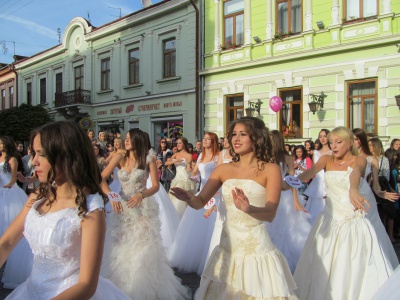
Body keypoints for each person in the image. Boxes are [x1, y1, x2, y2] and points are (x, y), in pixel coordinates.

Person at [170, 117, 296, 299]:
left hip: (256, 250)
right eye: (233, 134)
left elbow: (270, 214)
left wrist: (249, 209)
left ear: (257, 138)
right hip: (227, 248)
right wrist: (190, 198)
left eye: (242, 134)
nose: (235, 139)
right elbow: (200, 202)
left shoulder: (271, 170)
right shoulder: (223, 170)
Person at [1, 121, 130, 299]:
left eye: (41, 154)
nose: (34, 161)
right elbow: (6, 243)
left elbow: (86, 284)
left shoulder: (90, 208)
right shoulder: (37, 197)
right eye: (33, 153)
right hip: (31, 291)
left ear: (65, 155)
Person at [291, 126, 399, 300]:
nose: (334, 146)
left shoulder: (360, 160)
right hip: (330, 218)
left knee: (354, 260)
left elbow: (355, 174)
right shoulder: (326, 159)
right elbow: (309, 173)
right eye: (331, 142)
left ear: (350, 143)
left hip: (352, 217)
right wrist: (289, 182)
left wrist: (354, 189)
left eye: (338, 142)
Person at [100, 128, 191, 299]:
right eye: (125, 138)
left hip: (142, 208)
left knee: (141, 247)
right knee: (121, 245)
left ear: (138, 140)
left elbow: (155, 185)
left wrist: (141, 195)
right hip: (122, 208)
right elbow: (100, 178)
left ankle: (141, 285)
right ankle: (120, 285)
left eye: (129, 138)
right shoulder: (120, 157)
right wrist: (111, 195)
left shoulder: (148, 158)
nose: (126, 141)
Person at [167, 132, 220, 275]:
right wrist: (192, 176)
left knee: (212, 227)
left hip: (215, 192)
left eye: (209, 139)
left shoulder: (218, 156)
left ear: (214, 141)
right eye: (204, 138)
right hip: (202, 192)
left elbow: (220, 174)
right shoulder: (201, 156)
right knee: (197, 226)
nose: (205, 141)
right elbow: (194, 173)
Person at [266, 130, 311, 273]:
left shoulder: (287, 158)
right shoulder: (264, 156)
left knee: (285, 229)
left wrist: (296, 200)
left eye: (272, 139)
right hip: (266, 194)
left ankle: (284, 262)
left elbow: (293, 181)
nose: (269, 142)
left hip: (283, 196)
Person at [0, 136, 33, 289]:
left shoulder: (12, 159)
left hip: (9, 191)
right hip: (1, 190)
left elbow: (13, 178)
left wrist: (7, 187)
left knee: (10, 220)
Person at [304, 129, 332, 224]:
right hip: (318, 182)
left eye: (324, 136)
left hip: (329, 180)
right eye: (320, 136)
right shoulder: (315, 152)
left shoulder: (333, 152)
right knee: (316, 206)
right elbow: (314, 168)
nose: (322, 138)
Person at [166, 137, 196, 219]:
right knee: (173, 198)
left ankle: (182, 218)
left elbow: (188, 167)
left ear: (184, 144)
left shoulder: (189, 155)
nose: (178, 145)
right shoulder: (175, 154)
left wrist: (191, 169)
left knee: (181, 202)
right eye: (177, 143)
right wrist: (175, 161)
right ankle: (174, 218)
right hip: (176, 179)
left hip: (185, 179)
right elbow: (166, 163)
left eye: (180, 143)